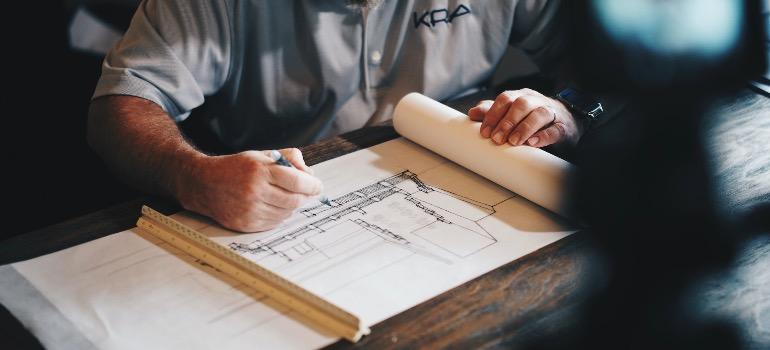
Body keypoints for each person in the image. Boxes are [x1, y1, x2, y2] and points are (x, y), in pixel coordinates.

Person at [88, 0, 587, 232]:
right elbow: (122, 104)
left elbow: (617, 61)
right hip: (286, 199)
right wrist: (191, 175)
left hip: (479, 182)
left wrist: (566, 108)